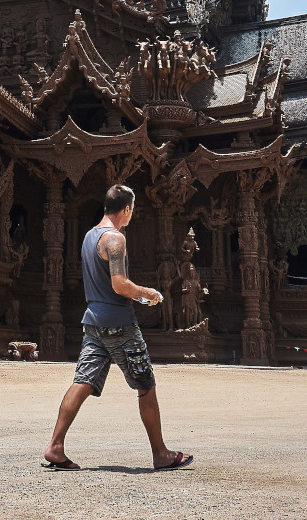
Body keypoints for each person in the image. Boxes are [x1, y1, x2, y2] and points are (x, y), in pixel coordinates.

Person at [42, 184, 194, 472]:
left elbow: (107, 286)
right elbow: (118, 284)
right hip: (120, 325)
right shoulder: (116, 240)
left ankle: (55, 446)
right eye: (132, 209)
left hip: (93, 323)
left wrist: (134, 294)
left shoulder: (89, 237)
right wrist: (147, 292)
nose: (131, 215)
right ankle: (161, 453)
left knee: (83, 381)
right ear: (126, 209)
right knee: (145, 385)